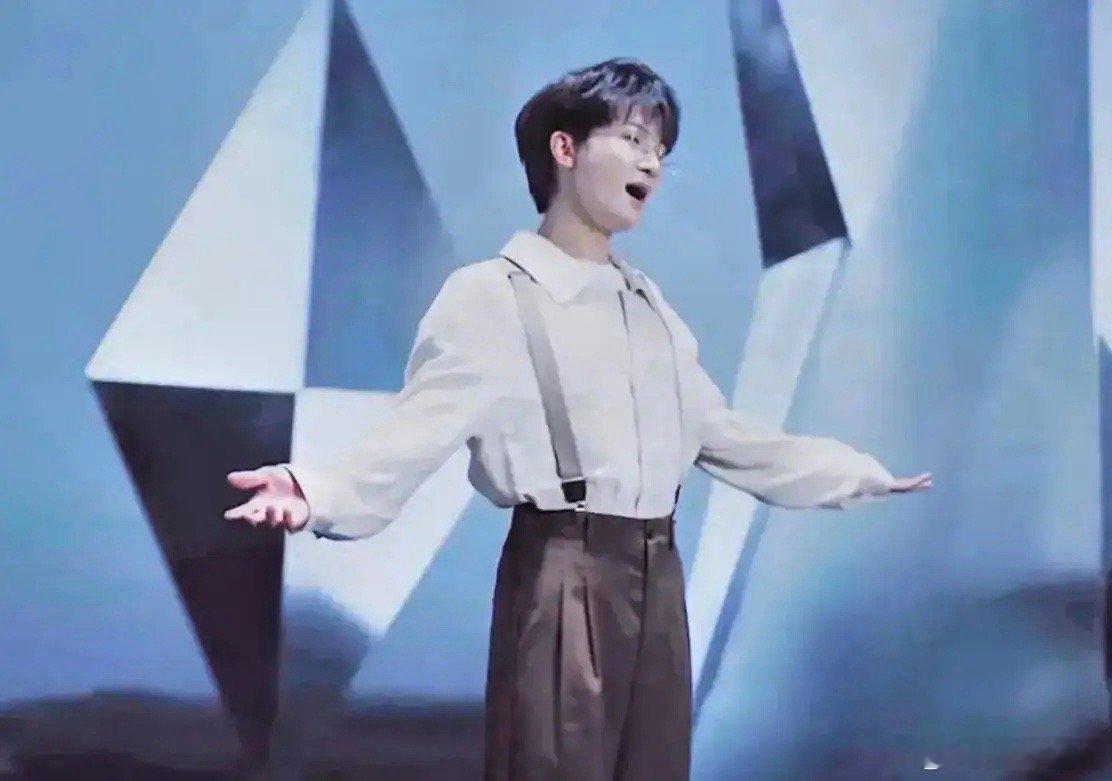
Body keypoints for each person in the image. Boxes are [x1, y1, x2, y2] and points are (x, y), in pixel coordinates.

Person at [225, 57, 932, 780]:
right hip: (563, 573)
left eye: (661, 149)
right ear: (565, 148)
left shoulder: (649, 308)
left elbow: (724, 436)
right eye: (633, 139)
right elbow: (413, 431)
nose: (652, 163)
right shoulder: (494, 296)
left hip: (658, 579)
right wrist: (316, 490)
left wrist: (851, 474)